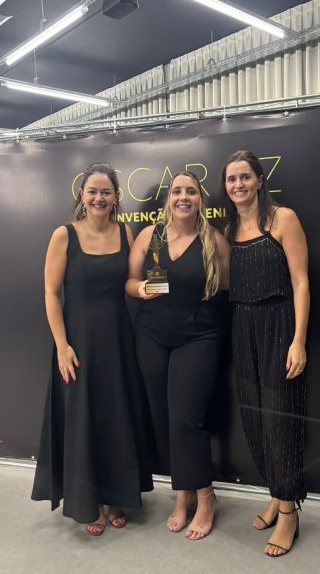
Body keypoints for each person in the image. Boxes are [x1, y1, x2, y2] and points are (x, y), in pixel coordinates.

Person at [31, 162, 153, 536]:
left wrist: (147, 288)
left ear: (116, 197)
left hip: (118, 341)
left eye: (106, 192)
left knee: (117, 416)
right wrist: (62, 345)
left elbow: (131, 281)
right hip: (78, 344)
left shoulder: (126, 233)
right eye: (93, 191)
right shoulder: (64, 235)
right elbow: (51, 295)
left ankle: (118, 496)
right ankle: (90, 502)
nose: (99, 198)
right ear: (82, 195)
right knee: (83, 419)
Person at [126, 171, 230, 541]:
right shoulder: (149, 236)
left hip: (197, 338)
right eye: (176, 191)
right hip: (151, 337)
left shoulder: (213, 240)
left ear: (200, 200)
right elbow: (129, 281)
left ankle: (205, 495)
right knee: (164, 417)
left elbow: (226, 288)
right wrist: (140, 288)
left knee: (187, 418)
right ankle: (182, 493)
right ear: (168, 199)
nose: (183, 197)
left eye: (191, 191)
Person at [222, 150, 310, 558]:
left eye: (244, 177)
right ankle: (276, 493)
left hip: (279, 324)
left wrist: (298, 340)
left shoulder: (283, 219)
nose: (238, 184)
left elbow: (301, 281)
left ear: (259, 180)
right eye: (231, 179)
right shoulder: (228, 229)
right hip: (242, 326)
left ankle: (289, 512)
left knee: (279, 422)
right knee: (254, 419)